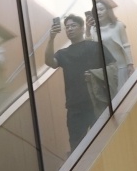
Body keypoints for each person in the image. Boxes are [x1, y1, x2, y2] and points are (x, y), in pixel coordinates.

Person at [44, 14, 107, 147]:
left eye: (73, 25)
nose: (70, 29)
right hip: (74, 106)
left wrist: (95, 75)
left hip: (96, 101)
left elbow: (111, 68)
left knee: (102, 140)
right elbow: (49, 62)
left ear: (82, 28)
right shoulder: (63, 53)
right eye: (67, 27)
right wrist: (51, 38)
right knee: (76, 145)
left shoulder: (95, 46)